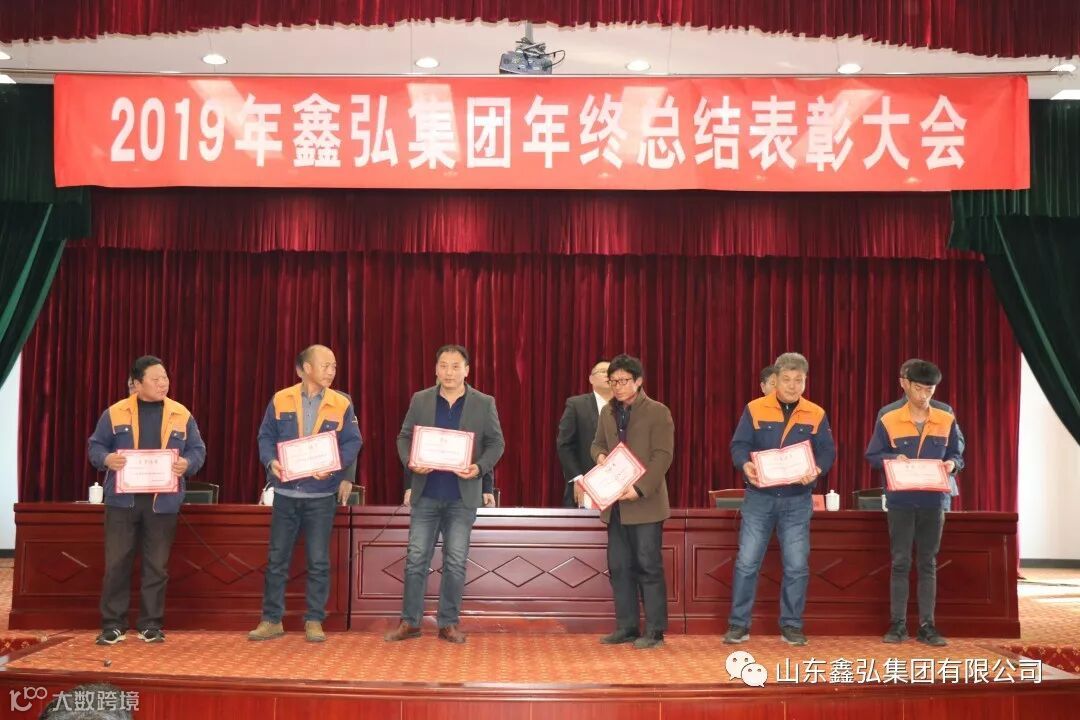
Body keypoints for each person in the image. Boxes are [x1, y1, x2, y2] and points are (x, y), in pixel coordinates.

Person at [385, 344, 505, 644]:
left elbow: (496, 443)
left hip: (462, 497)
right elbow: (404, 437)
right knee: (416, 559)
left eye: (455, 366)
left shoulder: (484, 403)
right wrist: (411, 461)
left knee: (455, 561)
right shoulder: (421, 399)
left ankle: (448, 623)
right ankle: (410, 622)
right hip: (426, 494)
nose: (449, 372)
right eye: (443, 365)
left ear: (467, 370)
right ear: (435, 369)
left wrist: (479, 468)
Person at [88, 355, 206, 645]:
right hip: (122, 502)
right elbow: (95, 447)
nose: (163, 383)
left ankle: (150, 624)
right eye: (155, 379)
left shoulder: (181, 413)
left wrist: (187, 464)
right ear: (137, 383)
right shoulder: (115, 413)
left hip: (162, 503)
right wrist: (107, 459)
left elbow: (198, 450)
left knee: (157, 566)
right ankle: (113, 624)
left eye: (165, 378)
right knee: (117, 563)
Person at [249, 345, 362, 643]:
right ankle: (271, 619)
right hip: (286, 493)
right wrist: (271, 462)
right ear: (307, 368)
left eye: (334, 366)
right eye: (326, 365)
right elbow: (265, 436)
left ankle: (314, 620)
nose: (331, 371)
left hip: (321, 497)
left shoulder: (341, 403)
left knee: (319, 561)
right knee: (277, 559)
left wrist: (334, 466)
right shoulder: (281, 399)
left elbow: (353, 442)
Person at [726, 352, 835, 647]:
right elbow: (739, 445)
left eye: (799, 380)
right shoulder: (755, 408)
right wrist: (745, 465)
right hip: (759, 498)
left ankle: (792, 625)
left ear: (805, 381)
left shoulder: (816, 413)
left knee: (797, 565)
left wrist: (817, 469)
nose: (792, 385)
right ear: (775, 380)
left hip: (797, 500)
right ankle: (738, 624)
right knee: (747, 562)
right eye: (787, 379)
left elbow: (827, 451)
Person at [866, 359, 964, 647]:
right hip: (901, 499)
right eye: (919, 389)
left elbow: (957, 453)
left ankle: (927, 625)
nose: (923, 396)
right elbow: (873, 455)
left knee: (928, 562)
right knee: (900, 561)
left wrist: (952, 464)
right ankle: (897, 624)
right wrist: (892, 458)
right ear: (905, 384)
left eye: (929, 390)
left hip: (934, 499)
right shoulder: (889, 416)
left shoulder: (945, 415)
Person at [590, 354, 674, 649]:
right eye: (613, 381)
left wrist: (639, 489)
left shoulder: (658, 411)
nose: (618, 386)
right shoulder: (607, 412)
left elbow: (663, 456)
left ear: (638, 381)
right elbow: (597, 444)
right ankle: (626, 626)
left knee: (648, 566)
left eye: (624, 380)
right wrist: (600, 456)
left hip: (645, 503)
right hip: (615, 504)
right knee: (619, 566)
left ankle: (654, 630)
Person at [877, 358, 965, 509]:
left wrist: (951, 462)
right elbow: (879, 452)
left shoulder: (944, 411)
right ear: (903, 382)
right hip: (902, 492)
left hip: (937, 491)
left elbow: (958, 444)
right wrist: (896, 459)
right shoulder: (888, 412)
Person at [556, 360, 611, 507]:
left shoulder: (626, 406)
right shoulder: (577, 405)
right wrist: (578, 478)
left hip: (620, 491)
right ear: (591, 379)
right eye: (603, 371)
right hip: (585, 485)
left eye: (611, 372)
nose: (608, 375)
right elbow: (564, 445)